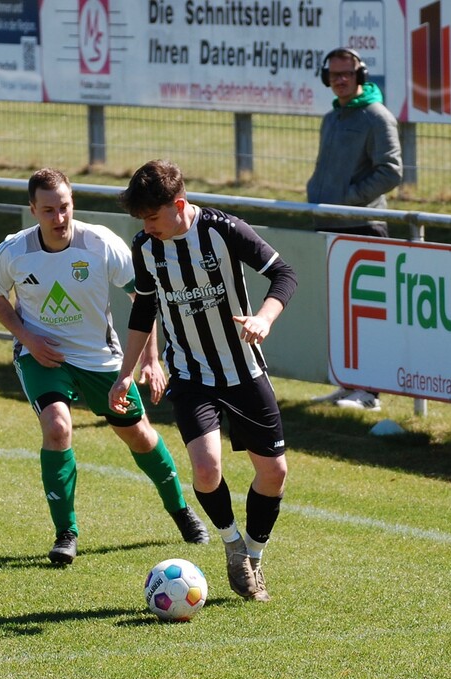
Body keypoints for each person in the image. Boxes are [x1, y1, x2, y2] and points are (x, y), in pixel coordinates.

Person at [0, 167, 208, 566]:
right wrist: (27, 338)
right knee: (57, 427)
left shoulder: (101, 243)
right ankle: (66, 533)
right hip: (43, 357)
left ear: (73, 203)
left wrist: (150, 359)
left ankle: (181, 511)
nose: (59, 218)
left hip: (99, 358)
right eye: (48, 210)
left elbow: (144, 298)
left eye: (64, 207)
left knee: (139, 436)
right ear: (33, 210)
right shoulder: (14, 251)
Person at [109, 160, 298, 602]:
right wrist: (125, 374)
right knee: (207, 468)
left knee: (274, 473)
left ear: (179, 205)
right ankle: (232, 544)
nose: (146, 227)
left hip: (244, 369)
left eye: (152, 217)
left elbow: (284, 273)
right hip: (192, 373)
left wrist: (264, 318)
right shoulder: (146, 248)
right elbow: (144, 309)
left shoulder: (224, 230)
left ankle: (254, 555)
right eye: (141, 220)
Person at [307, 47, 403, 411]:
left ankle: (370, 393)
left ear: (361, 76)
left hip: (363, 226)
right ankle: (349, 384)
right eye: (335, 75)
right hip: (331, 225)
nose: (341, 80)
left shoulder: (376, 117)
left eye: (347, 74)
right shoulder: (332, 117)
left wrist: (348, 199)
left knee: (368, 314)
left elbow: (391, 171)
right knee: (341, 312)